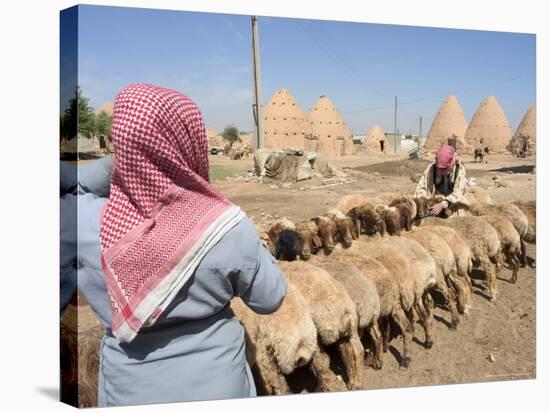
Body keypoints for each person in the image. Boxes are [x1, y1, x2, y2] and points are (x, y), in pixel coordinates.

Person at [61, 83, 287, 407]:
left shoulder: (80, 222)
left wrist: (125, 162)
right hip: (219, 387)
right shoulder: (226, 225)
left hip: (126, 391)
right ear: (189, 141)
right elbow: (270, 299)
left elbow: (71, 182)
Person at [415, 144, 468, 216]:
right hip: (437, 200)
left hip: (454, 203)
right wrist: (425, 202)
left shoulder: (459, 170)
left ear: (451, 164)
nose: (442, 171)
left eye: (445, 169)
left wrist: (443, 204)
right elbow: (422, 188)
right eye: (440, 169)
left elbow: (458, 193)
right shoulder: (432, 168)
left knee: (459, 216)